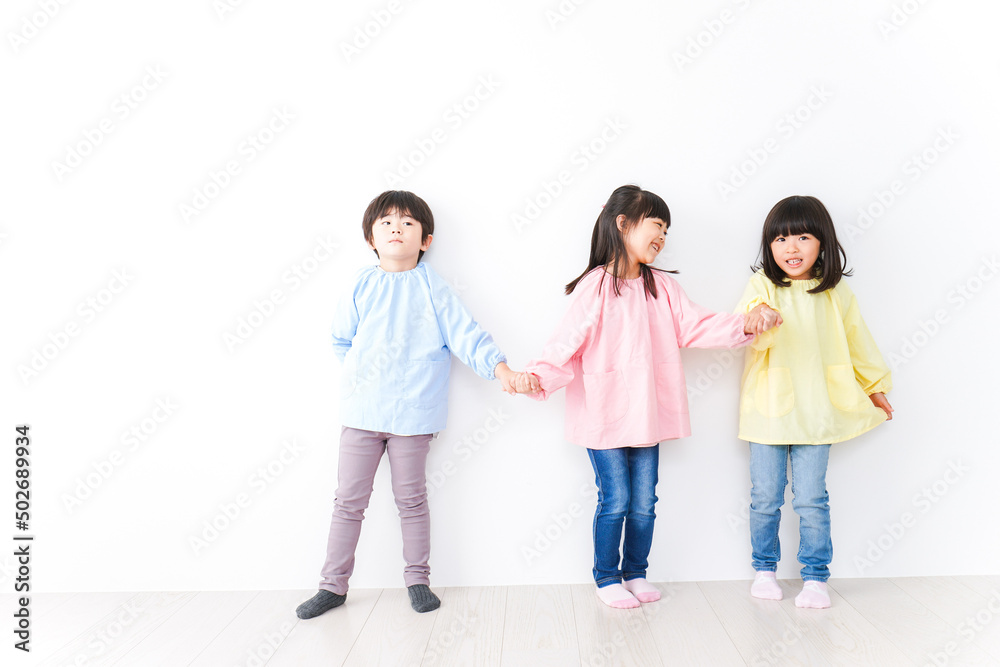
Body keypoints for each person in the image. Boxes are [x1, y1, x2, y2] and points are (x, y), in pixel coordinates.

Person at [512, 185, 780, 609]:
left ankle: (635, 572)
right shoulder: (596, 286)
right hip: (603, 415)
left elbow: (697, 326)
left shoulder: (661, 287)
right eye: (657, 225)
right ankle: (606, 577)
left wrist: (747, 322)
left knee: (645, 502)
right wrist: (536, 377)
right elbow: (565, 343)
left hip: (646, 414)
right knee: (615, 499)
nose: (663, 237)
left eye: (667, 231)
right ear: (623, 224)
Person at [296, 190, 518, 619]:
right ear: (371, 238)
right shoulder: (361, 283)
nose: (397, 227)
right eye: (386, 222)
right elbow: (341, 338)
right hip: (362, 413)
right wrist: (363, 379)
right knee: (347, 502)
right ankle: (332, 586)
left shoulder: (432, 285)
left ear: (426, 240)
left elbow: (465, 333)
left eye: (408, 222)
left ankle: (418, 580)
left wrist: (501, 368)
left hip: (414, 415)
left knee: (412, 500)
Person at [737, 195, 893, 609]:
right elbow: (746, 324)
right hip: (768, 410)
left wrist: (874, 385)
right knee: (765, 497)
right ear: (769, 246)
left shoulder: (836, 291)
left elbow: (858, 340)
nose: (791, 248)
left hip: (817, 410)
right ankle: (764, 569)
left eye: (803, 237)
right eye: (781, 239)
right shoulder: (763, 286)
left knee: (811, 498)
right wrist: (758, 317)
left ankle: (815, 577)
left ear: (822, 243)